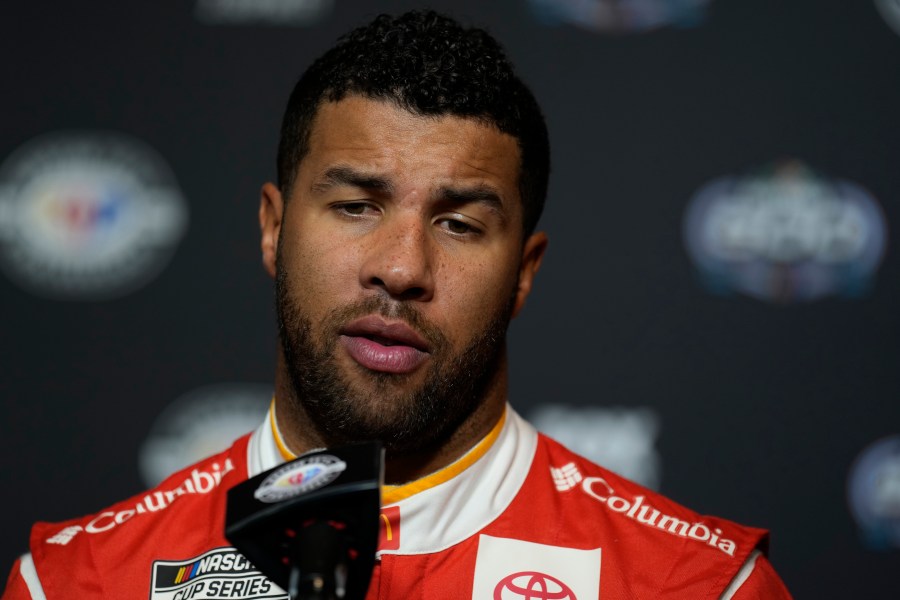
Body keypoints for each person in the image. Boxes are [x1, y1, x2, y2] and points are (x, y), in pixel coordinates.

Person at [3, 10, 791, 599]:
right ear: (274, 230)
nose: (402, 268)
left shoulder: (697, 586)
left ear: (524, 270)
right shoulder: (76, 583)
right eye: (356, 206)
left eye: (459, 224)